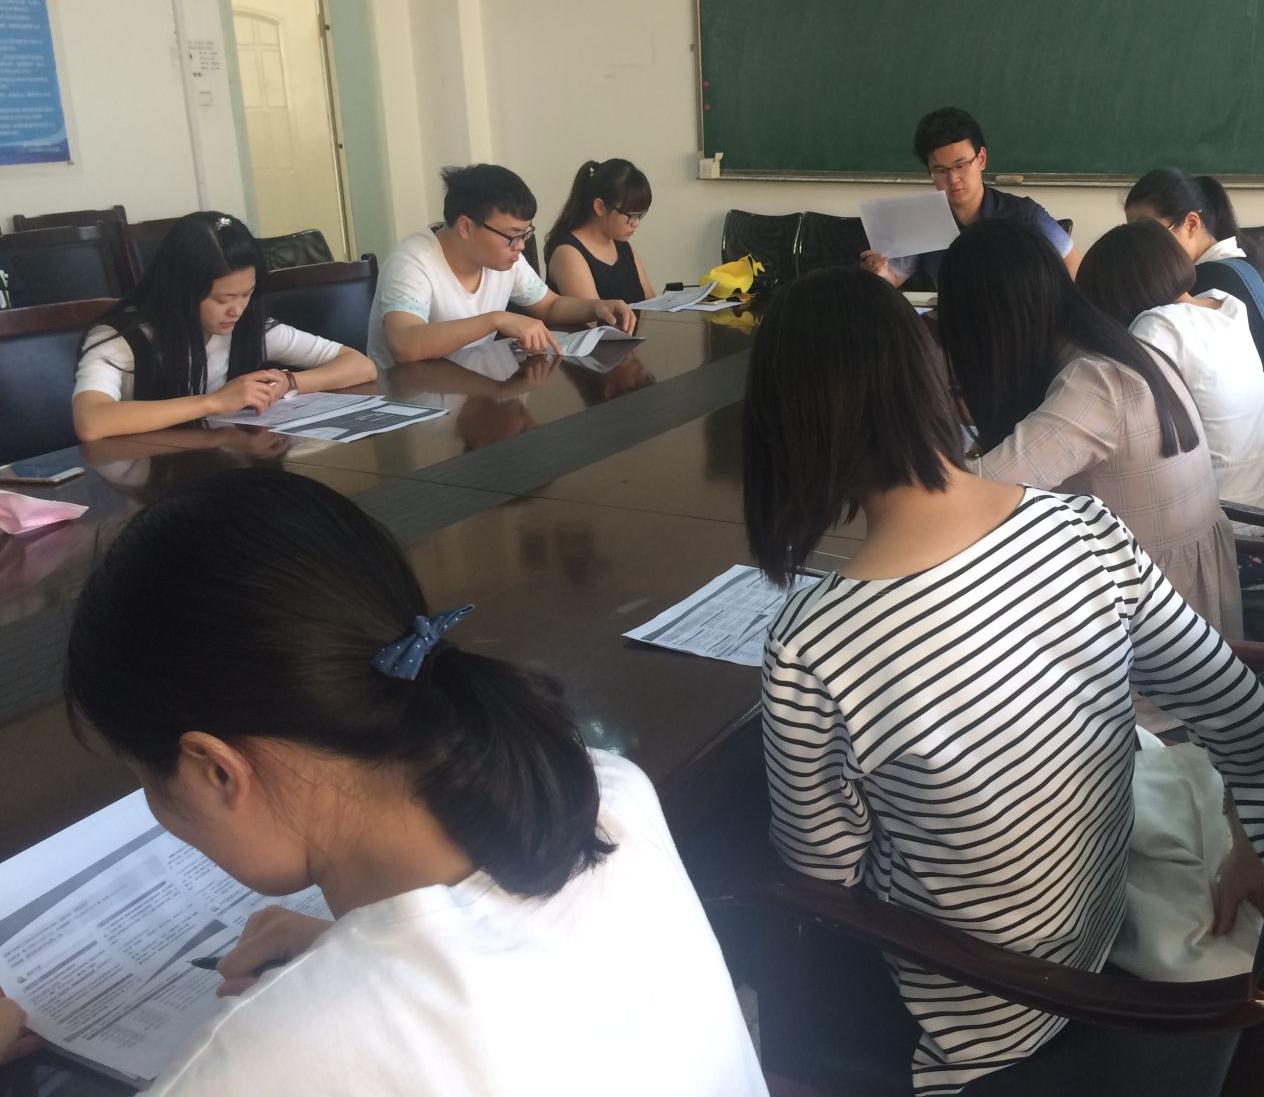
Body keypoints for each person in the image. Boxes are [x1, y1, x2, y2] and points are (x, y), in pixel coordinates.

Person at [743, 268, 1264, 1096]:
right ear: (933, 378)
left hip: (987, 1018)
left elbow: (823, 885)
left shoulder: (813, 647)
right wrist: (1256, 846)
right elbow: (1248, 721)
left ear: (787, 431)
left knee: (737, 887)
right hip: (1100, 930)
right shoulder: (1081, 526)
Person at [63, 469, 764, 1096]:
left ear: (216, 770)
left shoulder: (259, 1065)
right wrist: (356, 966)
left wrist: (349, 992)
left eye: (143, 777)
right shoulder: (606, 789)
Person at [939, 219, 1243, 635]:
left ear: (986, 325)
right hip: (1169, 599)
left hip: (1155, 629)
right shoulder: (1115, 348)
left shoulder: (1097, 383)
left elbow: (965, 497)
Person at [72, 213, 376, 442]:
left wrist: (291, 382)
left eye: (247, 294)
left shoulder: (250, 327)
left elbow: (360, 366)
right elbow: (91, 421)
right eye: (223, 299)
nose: (238, 310)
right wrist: (213, 402)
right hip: (150, 478)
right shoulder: (121, 340)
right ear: (182, 290)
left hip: (219, 463)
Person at [1075, 220, 1264, 527]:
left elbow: (1111, 423)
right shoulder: (1226, 307)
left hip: (1229, 525)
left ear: (1118, 294)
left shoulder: (1158, 326)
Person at [368, 164, 637, 370]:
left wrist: (597, 307)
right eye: (512, 235)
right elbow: (404, 344)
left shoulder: (505, 258)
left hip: (471, 387)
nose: (520, 246)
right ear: (466, 227)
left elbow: (549, 305)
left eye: (525, 234)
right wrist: (497, 320)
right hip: (411, 402)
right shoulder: (413, 262)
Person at [1123, 168, 1264, 433]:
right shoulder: (1237, 266)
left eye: (1148, 233)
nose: (1137, 246)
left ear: (1191, 224)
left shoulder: (1207, 281)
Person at [861, 107, 1081, 286]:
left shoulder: (1024, 215)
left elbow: (1074, 266)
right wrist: (878, 272)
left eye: (961, 165)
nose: (953, 178)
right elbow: (893, 278)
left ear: (981, 159)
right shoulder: (924, 220)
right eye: (941, 170)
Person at [543, 158, 656, 305]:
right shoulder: (568, 252)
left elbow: (651, 302)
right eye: (631, 216)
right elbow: (592, 316)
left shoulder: (623, 247)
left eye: (640, 215)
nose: (636, 223)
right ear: (600, 207)